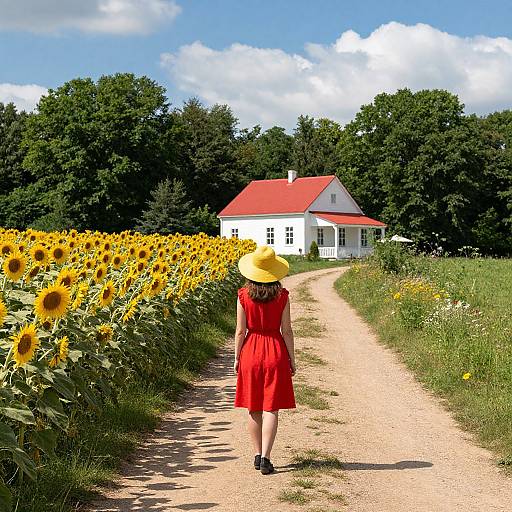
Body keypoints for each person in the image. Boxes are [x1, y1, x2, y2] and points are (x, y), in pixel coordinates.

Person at [234, 245, 296, 475]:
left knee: (254, 407)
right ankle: (267, 458)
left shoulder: (243, 296)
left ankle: (257, 454)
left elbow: (240, 331)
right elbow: (287, 331)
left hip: (250, 351)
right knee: (271, 407)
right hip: (275, 351)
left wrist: (236, 358)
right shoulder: (283, 296)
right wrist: (292, 358)